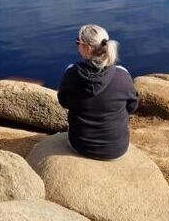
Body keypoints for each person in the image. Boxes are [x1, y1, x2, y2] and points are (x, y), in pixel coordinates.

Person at [57, 24, 139, 160]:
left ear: (86, 48)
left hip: (80, 145)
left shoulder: (72, 73)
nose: (77, 45)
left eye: (78, 42)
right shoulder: (123, 75)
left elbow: (64, 102)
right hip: (116, 149)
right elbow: (132, 106)